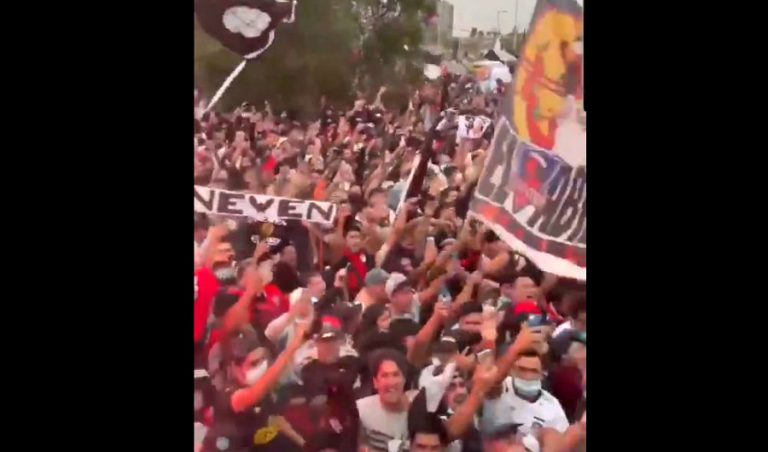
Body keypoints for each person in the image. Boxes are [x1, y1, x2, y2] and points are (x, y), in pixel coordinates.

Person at [481, 350, 569, 437]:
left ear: (542, 374)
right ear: (512, 370)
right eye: (522, 369)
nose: (528, 376)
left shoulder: (553, 407)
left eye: (533, 371)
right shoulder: (499, 388)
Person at [356, 348, 414, 452]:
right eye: (385, 375)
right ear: (375, 383)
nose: (391, 382)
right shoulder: (360, 411)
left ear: (404, 380)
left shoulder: (418, 410)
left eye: (395, 375)